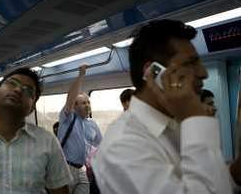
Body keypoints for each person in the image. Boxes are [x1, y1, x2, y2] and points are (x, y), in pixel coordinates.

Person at [92, 19, 236, 194]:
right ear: (153, 72)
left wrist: (235, 174)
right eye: (190, 63)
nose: (203, 73)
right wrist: (195, 119)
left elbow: (203, 182)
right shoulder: (123, 145)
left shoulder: (176, 122)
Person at [58, 65, 102, 194]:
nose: (87, 105)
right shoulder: (67, 118)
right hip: (66, 168)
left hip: (82, 169)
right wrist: (81, 75)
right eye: (83, 103)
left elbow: (101, 144)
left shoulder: (93, 124)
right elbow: (71, 97)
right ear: (75, 106)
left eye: (88, 102)